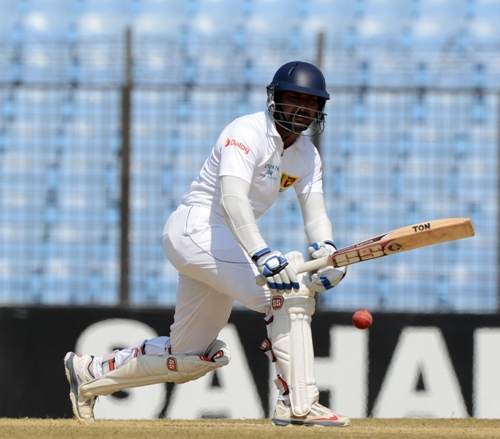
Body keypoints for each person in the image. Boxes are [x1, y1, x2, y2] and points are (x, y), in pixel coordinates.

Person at [64, 61, 349, 427]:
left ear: (319, 110)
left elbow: (315, 214)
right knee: (287, 294)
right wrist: (262, 254)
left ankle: (89, 374)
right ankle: (297, 404)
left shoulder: (306, 155)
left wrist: (326, 251)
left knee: (188, 358)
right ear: (274, 98)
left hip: (223, 242)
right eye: (292, 98)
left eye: (309, 103)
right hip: (196, 228)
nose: (300, 108)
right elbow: (233, 200)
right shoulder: (246, 132)